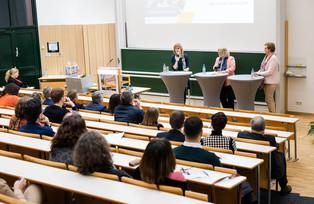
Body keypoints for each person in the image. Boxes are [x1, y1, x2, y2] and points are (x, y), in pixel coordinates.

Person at [238, 116, 292, 195]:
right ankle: (284, 187)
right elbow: (276, 147)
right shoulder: (270, 139)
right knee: (280, 155)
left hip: (246, 169)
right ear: (264, 127)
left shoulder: (241, 135)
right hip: (266, 171)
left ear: (250, 125)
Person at [254, 42, 280, 112]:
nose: (264, 49)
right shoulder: (266, 56)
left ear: (270, 49)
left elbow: (269, 72)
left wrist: (259, 73)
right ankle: (271, 115)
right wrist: (257, 72)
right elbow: (262, 68)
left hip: (271, 82)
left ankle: (273, 117)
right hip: (266, 81)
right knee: (268, 99)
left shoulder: (273, 58)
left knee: (269, 99)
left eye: (265, 48)